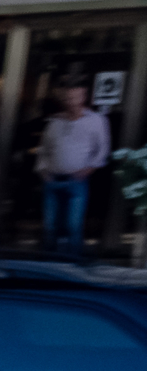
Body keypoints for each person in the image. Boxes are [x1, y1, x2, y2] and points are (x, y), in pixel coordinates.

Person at [40, 82, 110, 260]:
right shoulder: (55, 122)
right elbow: (44, 149)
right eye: (68, 98)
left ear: (83, 97)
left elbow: (102, 149)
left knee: (73, 225)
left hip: (77, 180)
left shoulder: (95, 121)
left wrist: (89, 169)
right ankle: (47, 266)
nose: (70, 101)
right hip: (53, 179)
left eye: (74, 97)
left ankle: (72, 268)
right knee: (50, 226)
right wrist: (43, 171)